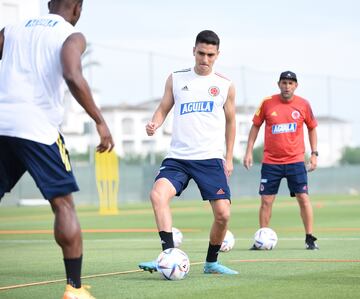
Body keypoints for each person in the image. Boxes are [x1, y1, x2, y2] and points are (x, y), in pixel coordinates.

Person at [0, 1, 114, 298]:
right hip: (38, 128)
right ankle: (74, 288)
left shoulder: (11, 30)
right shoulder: (71, 36)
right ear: (77, 8)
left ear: (49, 4)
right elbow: (72, 74)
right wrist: (100, 121)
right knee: (63, 205)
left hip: (2, 124)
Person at [138, 30, 238, 275]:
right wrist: (155, 123)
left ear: (217, 55)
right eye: (201, 53)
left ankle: (211, 262)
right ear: (193, 51)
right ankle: (167, 256)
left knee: (223, 215)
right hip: (178, 158)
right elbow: (163, 107)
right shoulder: (176, 78)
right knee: (157, 195)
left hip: (210, 158)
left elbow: (231, 122)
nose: (205, 59)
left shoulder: (225, 85)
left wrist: (228, 157)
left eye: (210, 55)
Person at [243, 71, 319, 250]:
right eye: (284, 83)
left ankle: (310, 238)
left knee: (303, 197)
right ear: (279, 84)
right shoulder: (267, 102)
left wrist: (314, 154)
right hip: (271, 162)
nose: (287, 86)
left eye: (290, 83)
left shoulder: (303, 104)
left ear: (296, 86)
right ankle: (262, 238)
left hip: (295, 161)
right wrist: (248, 152)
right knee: (266, 201)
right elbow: (255, 127)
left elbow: (312, 128)